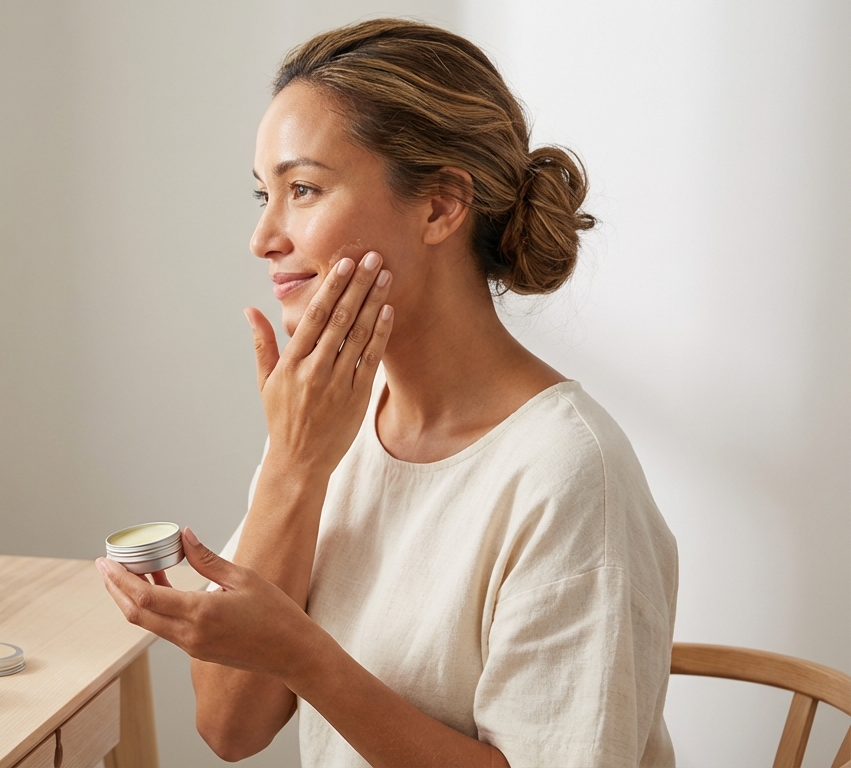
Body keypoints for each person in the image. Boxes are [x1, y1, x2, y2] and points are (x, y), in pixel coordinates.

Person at [96, 17, 678, 768]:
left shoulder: (569, 473)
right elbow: (230, 728)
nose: (264, 237)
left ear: (439, 206)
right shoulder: (332, 424)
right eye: (263, 194)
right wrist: (293, 465)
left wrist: (309, 660)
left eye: (303, 189)